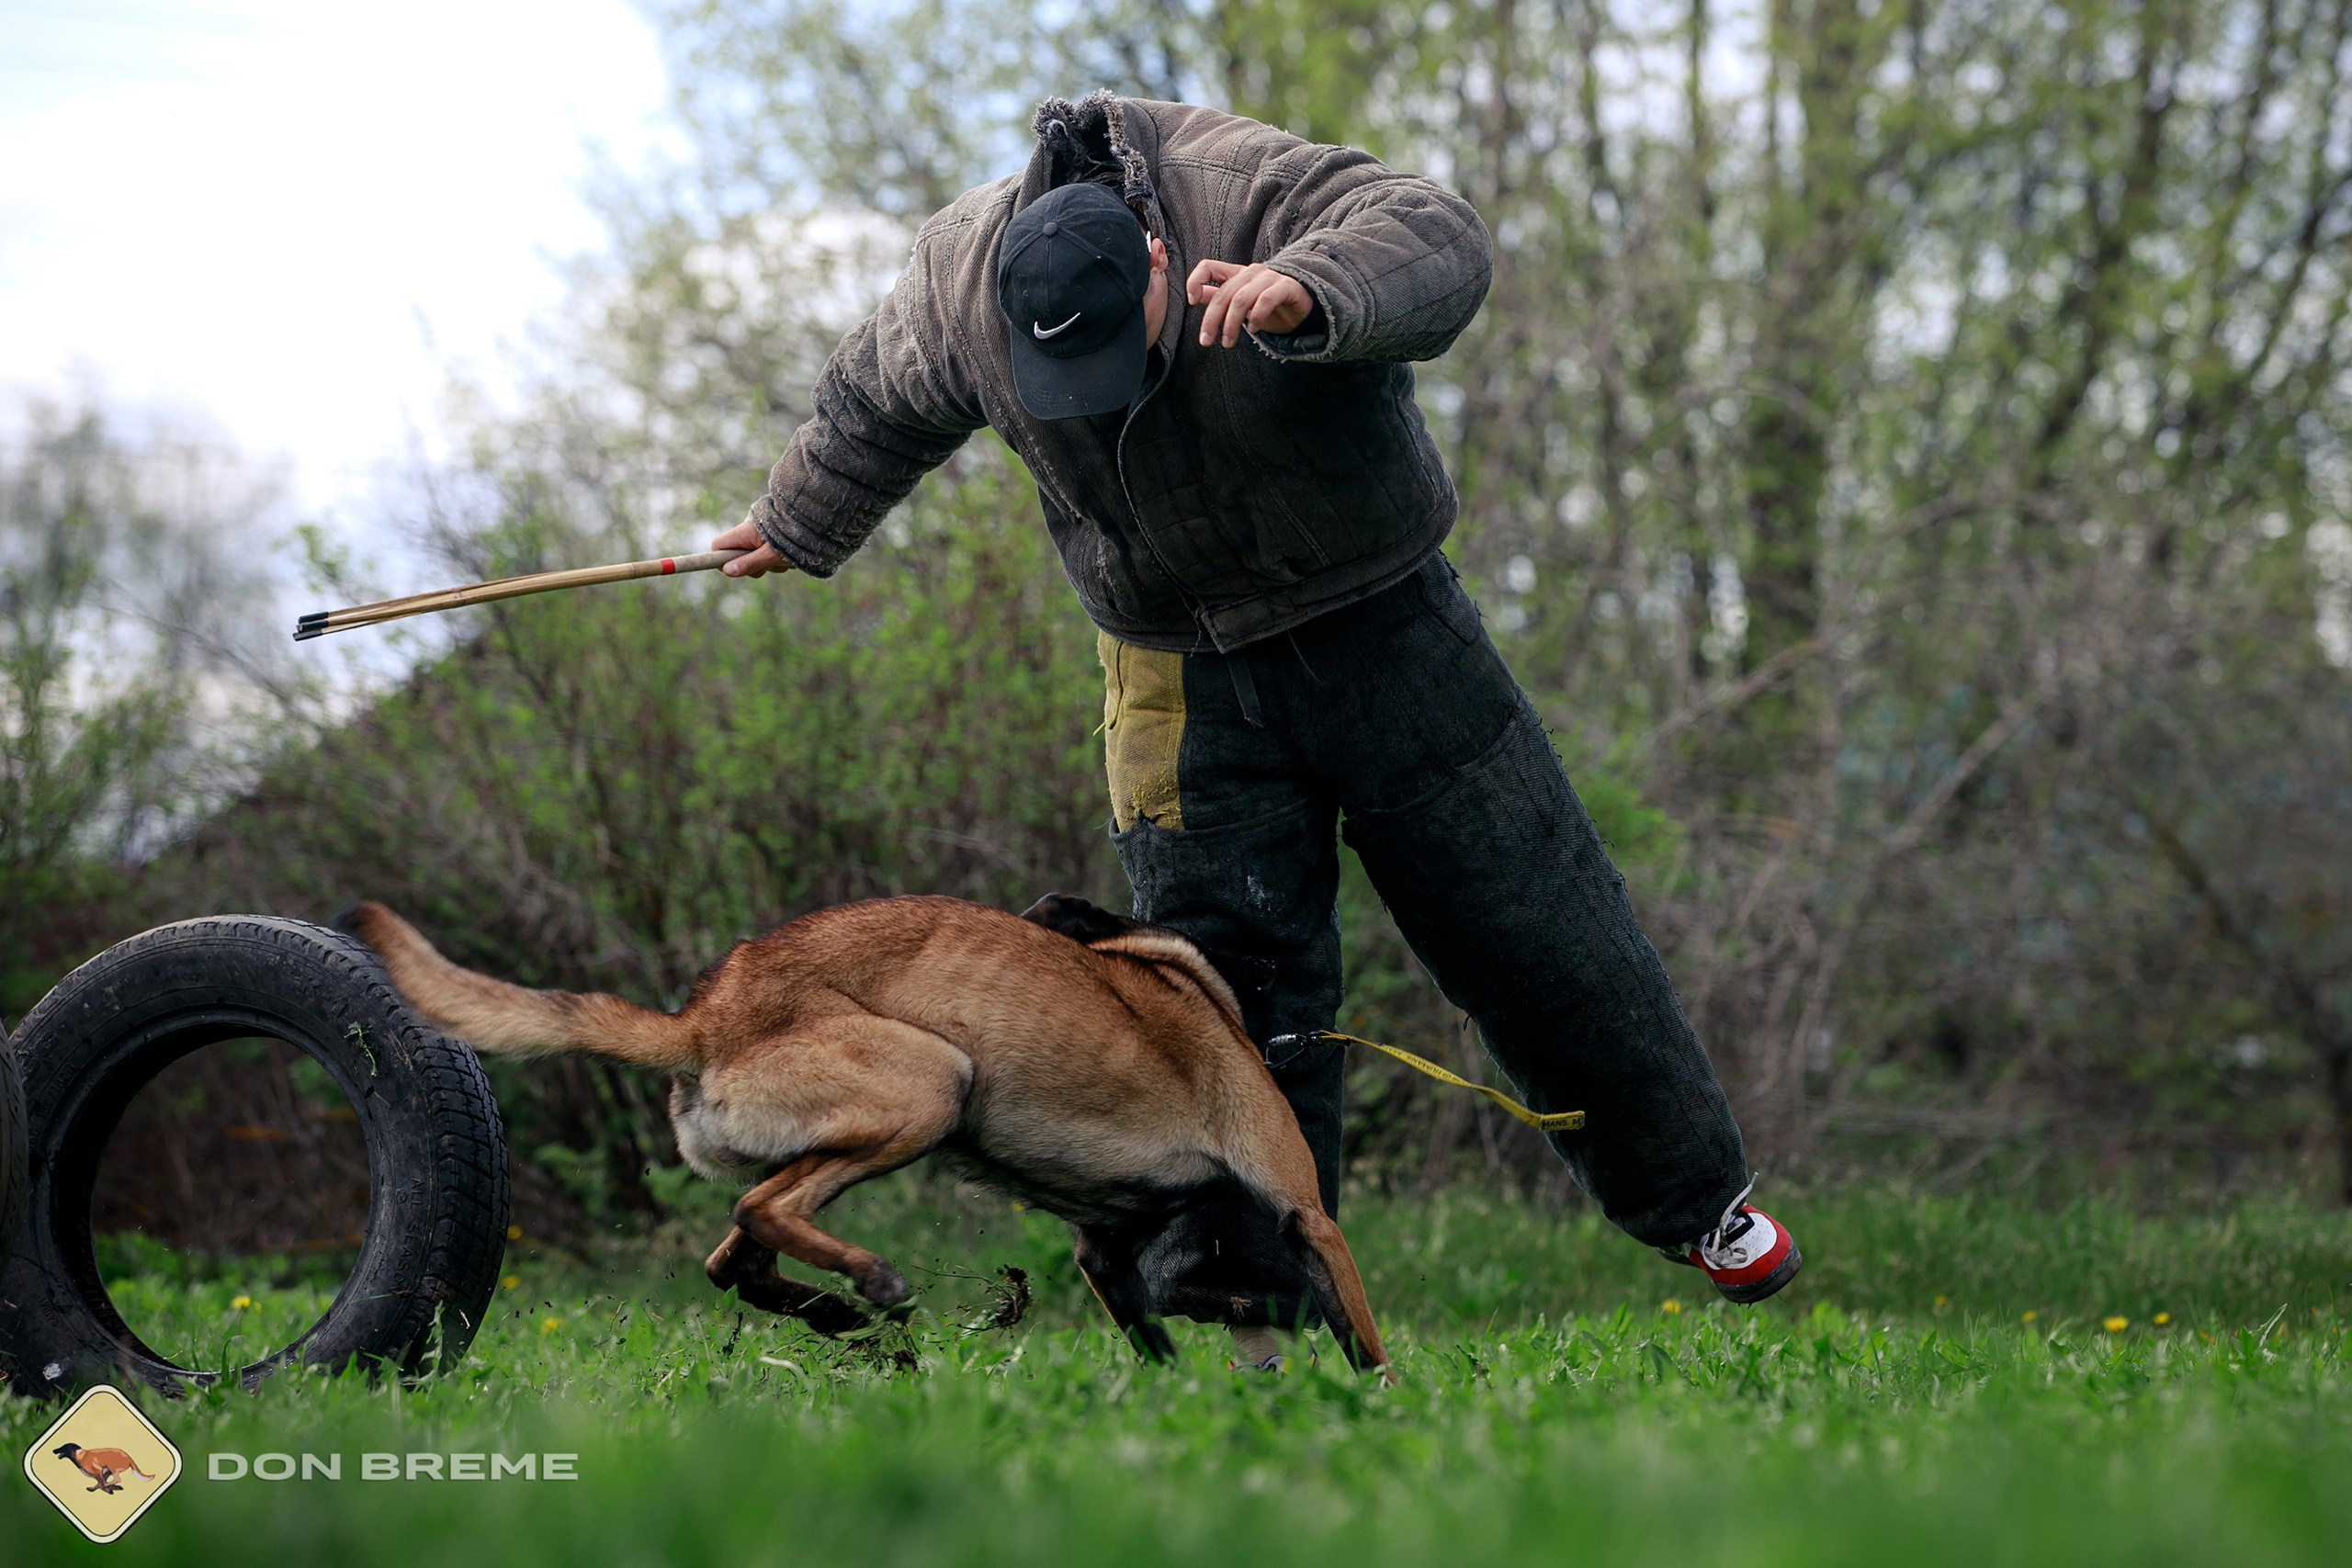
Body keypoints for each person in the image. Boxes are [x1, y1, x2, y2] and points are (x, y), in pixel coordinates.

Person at [710, 91, 1799, 1368]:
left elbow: (1439, 237)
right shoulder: (962, 277)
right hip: (1173, 671)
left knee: (1530, 916)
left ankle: (1697, 1203)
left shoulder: (1243, 183)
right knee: (1220, 1001)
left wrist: (1310, 290)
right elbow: (871, 403)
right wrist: (799, 521)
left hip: (1386, 623)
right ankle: (1245, 1326)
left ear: (1162, 259)